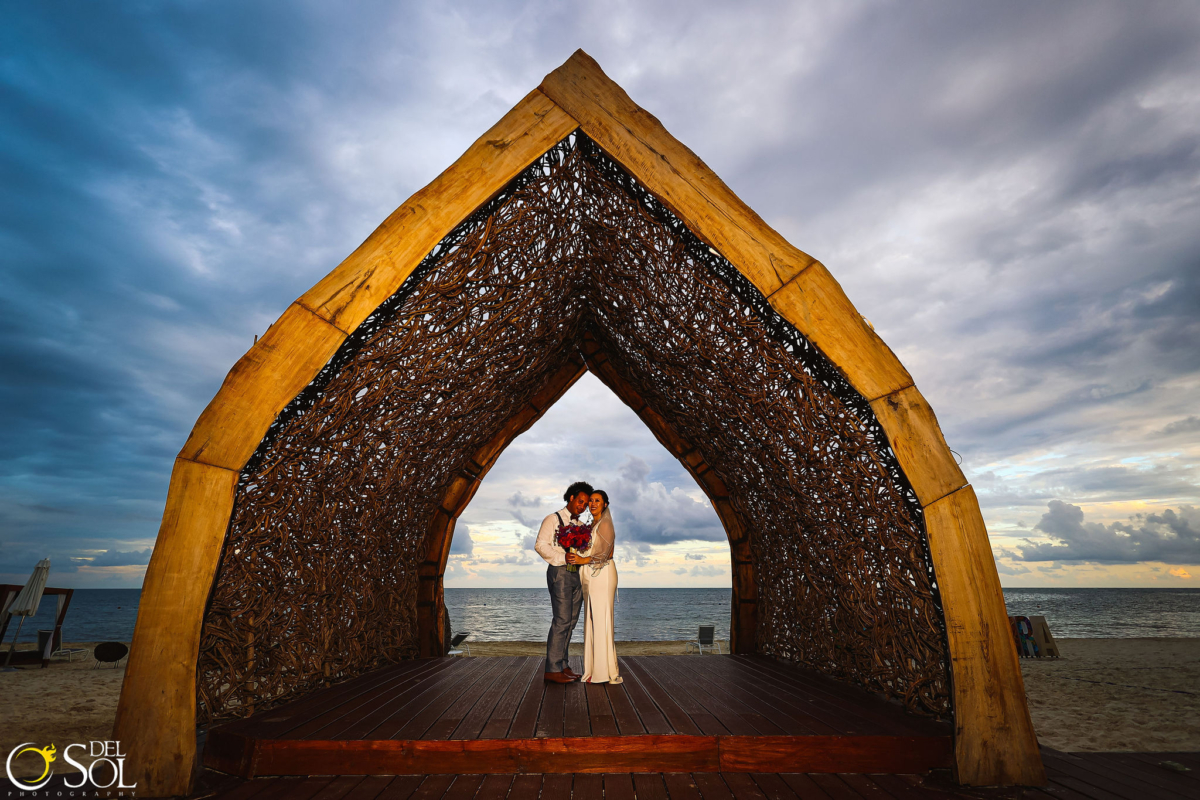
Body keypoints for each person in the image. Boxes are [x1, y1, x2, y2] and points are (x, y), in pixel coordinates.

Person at [534, 480, 592, 683]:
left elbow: (585, 550)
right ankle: (552, 669)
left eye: (585, 504)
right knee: (561, 621)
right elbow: (540, 545)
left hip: (578, 574)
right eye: (580, 501)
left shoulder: (580, 525)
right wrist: (562, 557)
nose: (583, 506)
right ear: (571, 497)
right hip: (559, 572)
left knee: (571, 621)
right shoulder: (553, 518)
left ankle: (562, 664)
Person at [569, 489, 621, 684]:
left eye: (597, 501)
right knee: (591, 621)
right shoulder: (591, 524)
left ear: (605, 504)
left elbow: (604, 554)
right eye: (591, 500)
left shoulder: (605, 523)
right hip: (591, 574)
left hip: (603, 573)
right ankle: (592, 670)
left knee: (601, 620)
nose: (592, 504)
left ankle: (604, 672)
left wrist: (582, 560)